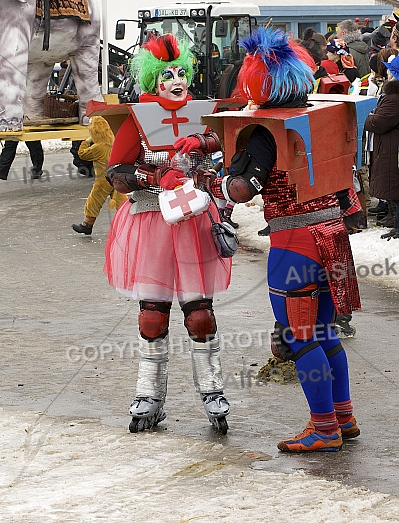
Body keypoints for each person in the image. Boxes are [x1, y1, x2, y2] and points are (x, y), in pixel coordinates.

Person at [195, 27, 362, 452]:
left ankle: (324, 427)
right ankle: (342, 416)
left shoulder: (265, 130)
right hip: (333, 233)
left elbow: (242, 190)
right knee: (326, 331)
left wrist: (210, 180)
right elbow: (349, 188)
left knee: (299, 335)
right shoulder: (323, 115)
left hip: (295, 240)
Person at [104, 33, 232, 434]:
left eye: (181, 73)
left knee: (199, 315)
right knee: (153, 316)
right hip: (151, 221)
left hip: (193, 220)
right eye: (167, 75)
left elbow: (223, 151)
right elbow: (116, 173)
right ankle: (149, 395)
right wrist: (152, 174)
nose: (176, 80)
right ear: (152, 81)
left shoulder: (203, 114)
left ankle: (212, 392)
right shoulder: (137, 119)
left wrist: (205, 144)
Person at [71, 116, 126, 235]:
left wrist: (86, 141)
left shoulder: (98, 147)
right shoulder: (115, 143)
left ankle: (87, 225)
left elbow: (82, 155)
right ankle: (126, 225)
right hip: (116, 178)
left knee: (94, 202)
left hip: (103, 181)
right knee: (121, 202)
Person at [364, 54, 399, 240]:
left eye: (390, 71)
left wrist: (368, 116)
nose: (387, 73)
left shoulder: (394, 98)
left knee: (395, 190)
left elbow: (378, 122)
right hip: (392, 148)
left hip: (393, 150)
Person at [336, 19, 371, 94]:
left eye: (337, 31)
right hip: (366, 88)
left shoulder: (347, 52)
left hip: (354, 91)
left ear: (343, 33)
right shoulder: (363, 47)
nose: (336, 35)